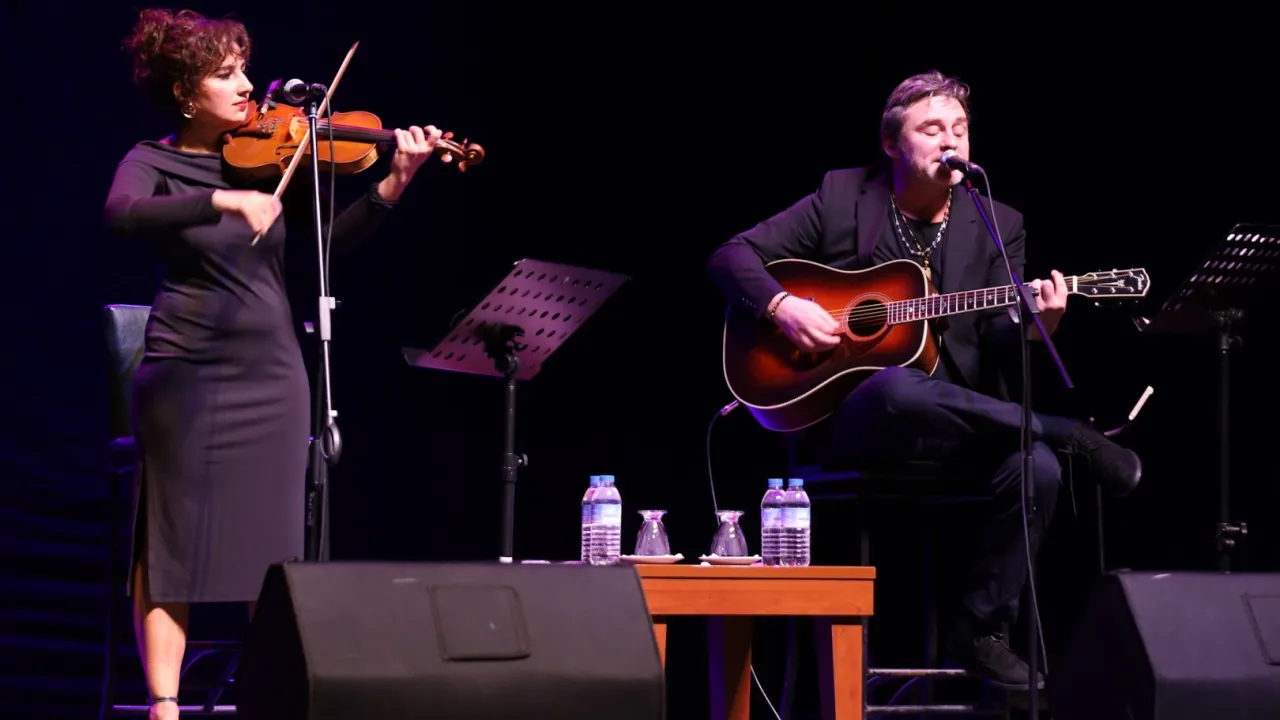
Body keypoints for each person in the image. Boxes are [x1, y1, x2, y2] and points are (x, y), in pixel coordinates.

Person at [706, 70, 1143, 691]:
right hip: (854, 419)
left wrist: (1034, 325)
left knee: (1038, 469)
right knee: (894, 386)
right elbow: (729, 257)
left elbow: (996, 338)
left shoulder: (999, 222)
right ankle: (1068, 431)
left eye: (960, 129)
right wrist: (783, 307)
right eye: (932, 128)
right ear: (892, 144)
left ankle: (982, 631)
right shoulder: (842, 196)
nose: (951, 141)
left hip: (957, 424)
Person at [105, 9, 440, 718]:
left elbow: (323, 252)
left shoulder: (265, 155)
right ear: (184, 93)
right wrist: (220, 200)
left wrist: (393, 184)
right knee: (170, 545)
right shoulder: (154, 161)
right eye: (225, 74)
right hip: (185, 370)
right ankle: (165, 707)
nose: (246, 86)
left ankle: (270, 698)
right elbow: (122, 213)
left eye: (244, 70)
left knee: (274, 549)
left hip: (272, 372)